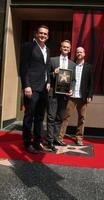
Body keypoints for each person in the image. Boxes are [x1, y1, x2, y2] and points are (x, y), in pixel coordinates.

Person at [19, 25, 51, 154]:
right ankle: (27, 143)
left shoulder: (47, 49)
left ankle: (37, 142)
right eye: (41, 33)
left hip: (43, 89)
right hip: (31, 88)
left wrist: (48, 81)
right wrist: (26, 85)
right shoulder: (28, 46)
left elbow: (47, 67)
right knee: (29, 117)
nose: (43, 35)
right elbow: (24, 67)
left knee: (39, 117)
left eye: (45, 34)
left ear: (47, 36)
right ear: (36, 34)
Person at [59, 47, 93, 146]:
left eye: (81, 52)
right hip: (71, 96)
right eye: (77, 52)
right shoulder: (71, 65)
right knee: (66, 116)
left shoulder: (88, 67)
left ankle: (79, 138)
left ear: (84, 53)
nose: (79, 53)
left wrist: (90, 95)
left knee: (82, 118)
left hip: (83, 97)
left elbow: (91, 83)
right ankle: (60, 137)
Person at [46, 40, 76, 151]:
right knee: (51, 117)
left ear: (70, 49)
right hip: (53, 93)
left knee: (59, 118)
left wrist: (71, 90)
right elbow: (47, 75)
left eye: (67, 47)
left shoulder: (73, 64)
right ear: (60, 48)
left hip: (64, 95)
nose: (65, 48)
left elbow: (73, 80)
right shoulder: (52, 60)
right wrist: (54, 73)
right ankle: (49, 141)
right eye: (63, 47)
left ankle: (55, 138)